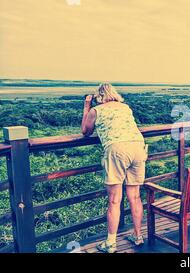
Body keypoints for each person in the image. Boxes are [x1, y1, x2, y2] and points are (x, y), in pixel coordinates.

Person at [81, 83, 148, 253]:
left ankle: (110, 243)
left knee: (114, 199)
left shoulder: (97, 110)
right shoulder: (125, 108)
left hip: (117, 149)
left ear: (99, 96)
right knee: (135, 196)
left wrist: (87, 106)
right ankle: (138, 236)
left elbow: (85, 131)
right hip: (138, 147)